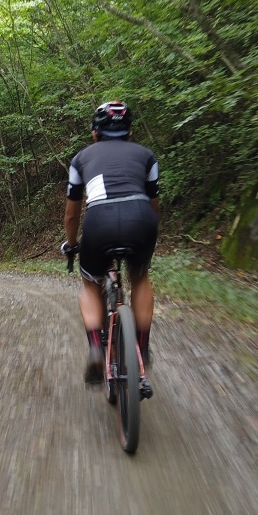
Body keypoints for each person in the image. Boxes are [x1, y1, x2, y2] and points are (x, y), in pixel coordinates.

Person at [60, 101, 159, 397]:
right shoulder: (146, 155)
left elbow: (71, 215)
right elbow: (154, 203)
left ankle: (94, 347)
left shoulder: (81, 159)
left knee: (90, 283)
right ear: (130, 131)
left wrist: (72, 244)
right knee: (140, 277)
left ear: (95, 132)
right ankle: (140, 349)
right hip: (141, 218)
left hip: (99, 222)